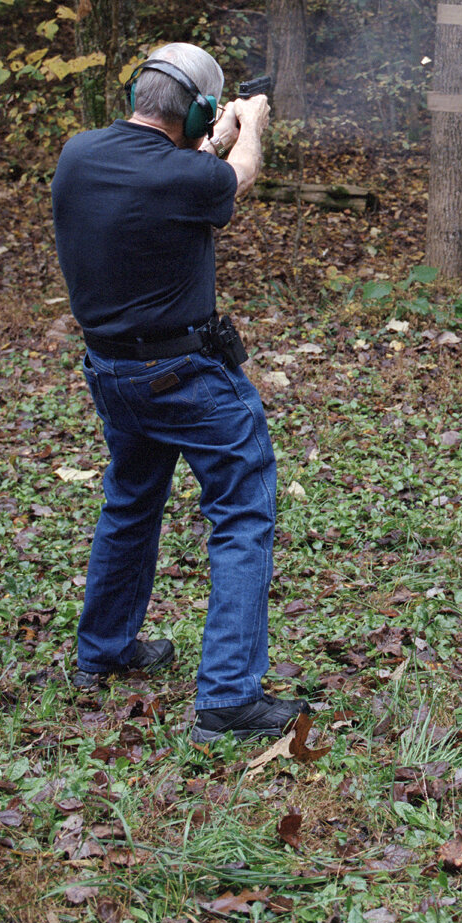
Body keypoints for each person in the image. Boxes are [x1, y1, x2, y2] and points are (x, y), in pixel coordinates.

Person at [50, 41, 307, 744]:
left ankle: (102, 652)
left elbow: (173, 173)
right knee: (244, 512)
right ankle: (227, 700)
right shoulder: (187, 178)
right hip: (185, 379)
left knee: (131, 503)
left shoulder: (79, 155)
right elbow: (237, 177)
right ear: (194, 110)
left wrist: (210, 137)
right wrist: (247, 127)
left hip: (112, 374)